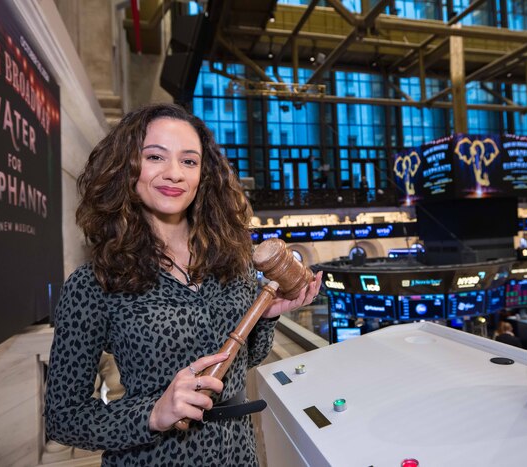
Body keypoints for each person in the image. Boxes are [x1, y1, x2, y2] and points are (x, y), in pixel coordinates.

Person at [44, 103, 323, 466]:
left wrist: (267, 317)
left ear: (203, 175)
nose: (175, 173)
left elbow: (242, 360)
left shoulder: (232, 262)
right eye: (155, 157)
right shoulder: (95, 282)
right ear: (125, 168)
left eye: (189, 161)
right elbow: (63, 418)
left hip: (238, 455)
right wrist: (152, 414)